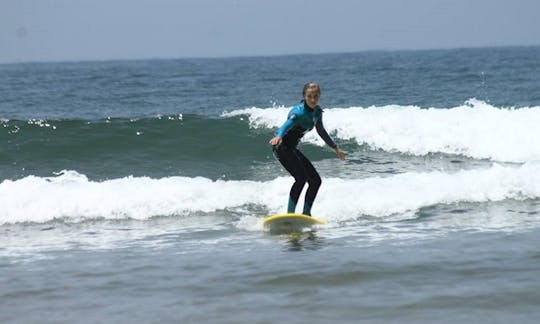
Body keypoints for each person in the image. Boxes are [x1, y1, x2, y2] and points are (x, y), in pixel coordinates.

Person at [269, 82, 345, 216]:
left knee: (315, 181)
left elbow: (321, 131)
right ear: (304, 96)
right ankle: (290, 215)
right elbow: (286, 125)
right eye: (309, 96)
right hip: (281, 147)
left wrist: (335, 148)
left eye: (316, 96)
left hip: (291, 149)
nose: (313, 99)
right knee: (301, 178)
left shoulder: (317, 112)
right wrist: (278, 136)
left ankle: (306, 214)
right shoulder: (297, 112)